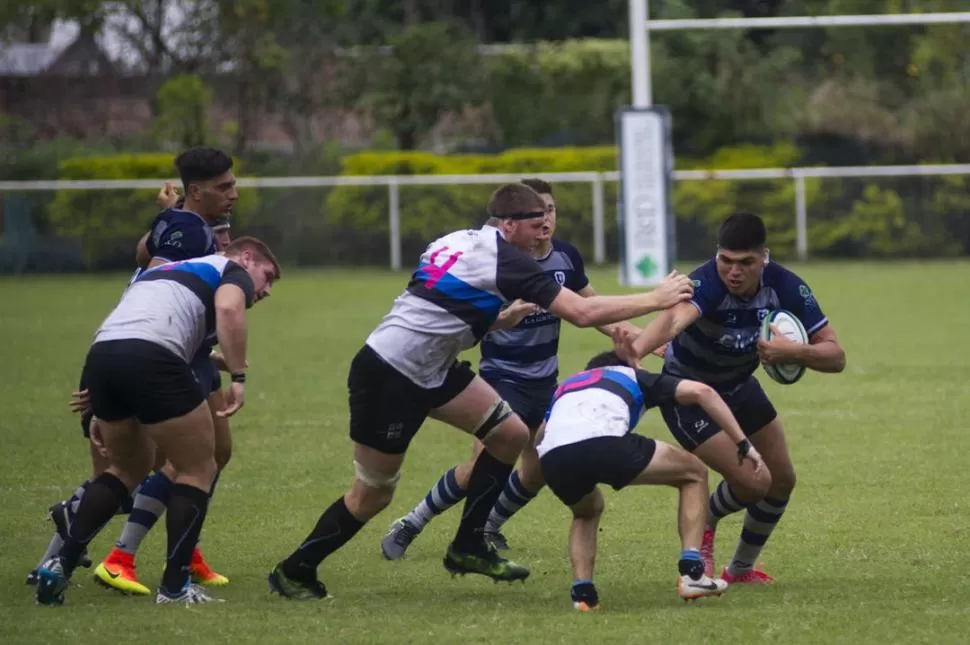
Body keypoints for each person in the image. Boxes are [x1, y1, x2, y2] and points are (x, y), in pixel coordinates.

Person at [267, 183, 694, 600]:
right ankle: (295, 569)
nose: (543, 231)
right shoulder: (507, 260)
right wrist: (657, 298)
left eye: (548, 219)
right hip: (390, 373)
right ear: (508, 225)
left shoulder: (454, 241)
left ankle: (468, 544)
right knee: (373, 493)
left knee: (510, 434)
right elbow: (581, 313)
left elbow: (433, 304)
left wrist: (496, 322)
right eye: (534, 224)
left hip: (433, 366)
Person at [381, 178, 640, 560]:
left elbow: (592, 308)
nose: (546, 219)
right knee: (480, 465)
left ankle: (489, 526)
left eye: (551, 210)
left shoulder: (566, 258)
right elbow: (474, 315)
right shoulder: (500, 259)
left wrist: (643, 338)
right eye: (539, 213)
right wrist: (508, 316)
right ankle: (412, 522)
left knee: (538, 468)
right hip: (501, 376)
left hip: (544, 381)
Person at [35, 237, 280, 606]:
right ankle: (175, 587)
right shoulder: (229, 270)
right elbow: (229, 311)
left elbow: (112, 330)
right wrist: (240, 379)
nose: (267, 289)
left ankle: (60, 564)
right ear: (247, 259)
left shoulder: (162, 273)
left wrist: (97, 402)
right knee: (198, 467)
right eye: (268, 276)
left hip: (104, 356)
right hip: (152, 356)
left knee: (125, 469)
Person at [614, 212, 846, 584]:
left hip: (739, 387)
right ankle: (704, 518)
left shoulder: (785, 286)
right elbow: (674, 320)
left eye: (745, 263)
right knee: (754, 483)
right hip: (688, 393)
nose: (733, 272)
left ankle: (739, 569)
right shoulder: (705, 282)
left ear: (764, 258)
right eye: (726, 260)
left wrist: (793, 352)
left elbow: (836, 356)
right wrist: (636, 350)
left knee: (782, 480)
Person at [539, 350, 764, 609]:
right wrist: (743, 444)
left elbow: (542, 436)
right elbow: (704, 393)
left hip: (552, 457)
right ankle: (693, 574)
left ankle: (583, 595)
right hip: (604, 443)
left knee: (586, 512)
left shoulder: (566, 388)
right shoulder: (632, 375)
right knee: (694, 473)